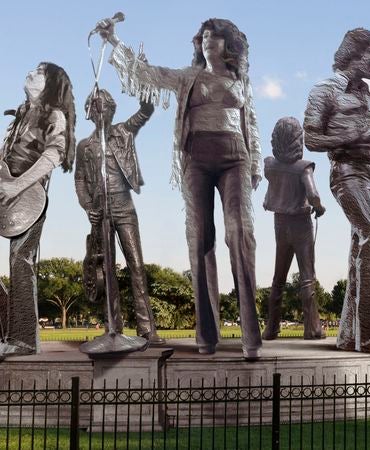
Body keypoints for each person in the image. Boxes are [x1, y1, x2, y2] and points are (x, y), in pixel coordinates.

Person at [97, 18, 263, 359]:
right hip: (196, 158)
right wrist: (115, 42)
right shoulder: (188, 77)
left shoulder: (241, 81)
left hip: (236, 158)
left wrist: (257, 164)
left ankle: (250, 337)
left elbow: (252, 124)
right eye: (203, 38)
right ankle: (207, 335)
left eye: (214, 38)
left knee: (240, 233)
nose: (206, 43)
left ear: (227, 45)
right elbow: (148, 74)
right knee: (200, 238)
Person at [303, 28, 370, 355]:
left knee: (360, 254)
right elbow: (310, 139)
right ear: (353, 54)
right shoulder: (324, 90)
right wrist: (345, 139)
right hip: (346, 173)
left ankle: (350, 335)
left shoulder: (367, 95)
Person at [74, 88, 164, 345]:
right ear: (91, 112)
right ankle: (112, 326)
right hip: (100, 211)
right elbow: (79, 180)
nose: (102, 111)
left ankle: (147, 329)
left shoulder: (124, 131)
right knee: (106, 271)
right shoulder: (85, 146)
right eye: (97, 107)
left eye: (106, 107)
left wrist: (145, 92)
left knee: (136, 266)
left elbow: (145, 112)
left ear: (112, 110)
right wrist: (87, 205)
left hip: (124, 205)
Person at [0, 62, 76, 356]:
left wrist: (16, 186)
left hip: (28, 198)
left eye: (39, 72)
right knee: (18, 263)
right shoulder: (21, 114)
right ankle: (8, 328)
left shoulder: (54, 115)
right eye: (30, 69)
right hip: (6, 191)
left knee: (21, 262)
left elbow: (53, 156)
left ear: (52, 84)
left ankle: (23, 340)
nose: (30, 72)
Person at [262, 117, 325, 340]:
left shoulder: (269, 165)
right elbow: (313, 194)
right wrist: (320, 207)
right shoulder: (303, 168)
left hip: (280, 224)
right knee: (307, 277)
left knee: (278, 277)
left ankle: (271, 328)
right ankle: (312, 328)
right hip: (300, 223)